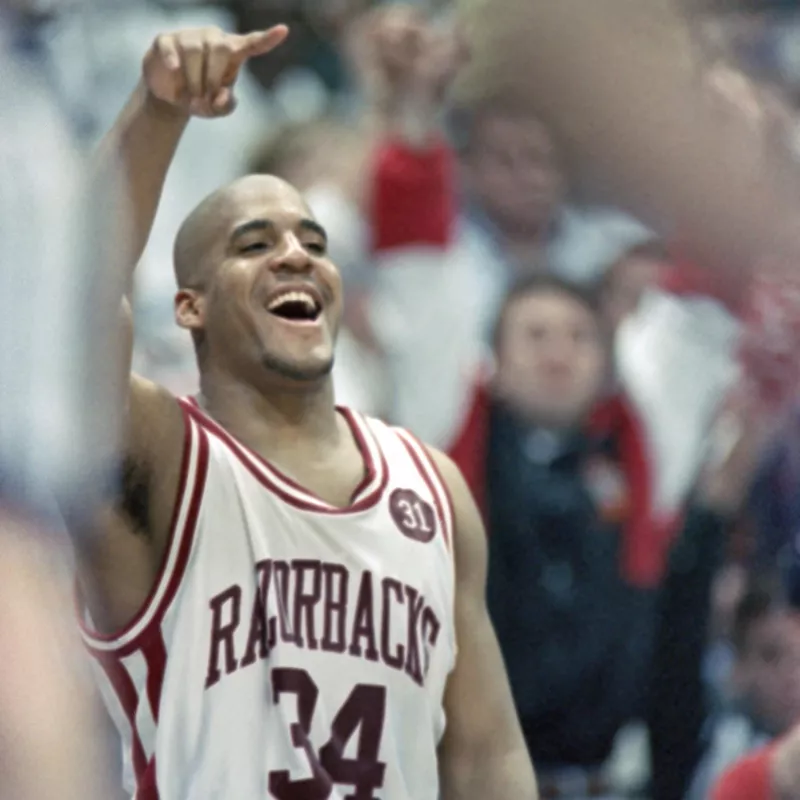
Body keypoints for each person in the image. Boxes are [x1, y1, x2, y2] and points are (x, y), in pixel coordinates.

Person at [74, 23, 537, 800]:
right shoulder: (165, 455)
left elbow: (486, 755)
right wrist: (160, 111)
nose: (296, 255)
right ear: (188, 307)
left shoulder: (432, 488)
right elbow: (71, 292)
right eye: (253, 244)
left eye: (313, 240)